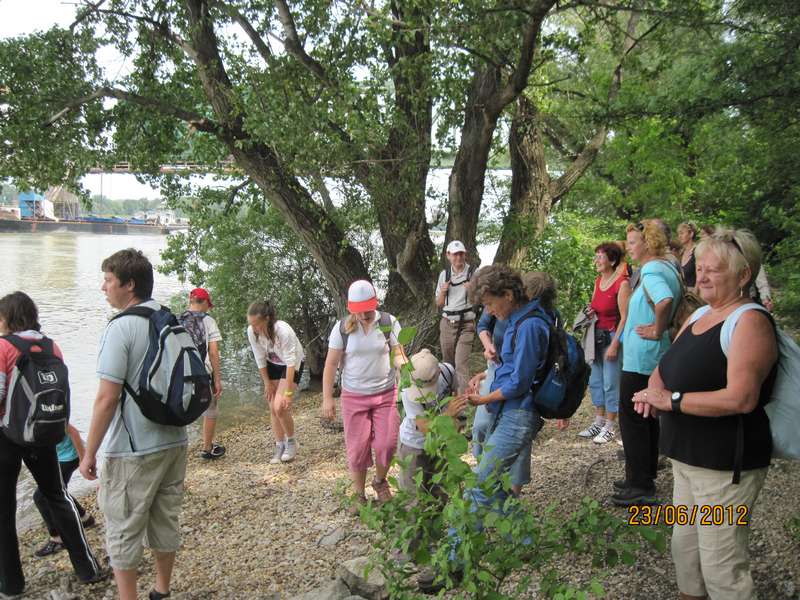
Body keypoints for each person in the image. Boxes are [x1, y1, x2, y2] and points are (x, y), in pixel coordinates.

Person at [632, 228, 776, 600]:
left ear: (743, 275)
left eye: (714, 270)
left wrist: (671, 401)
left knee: (721, 566)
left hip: (725, 465)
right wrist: (652, 391)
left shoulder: (750, 321)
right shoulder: (699, 315)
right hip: (686, 458)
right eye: (701, 267)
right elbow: (666, 365)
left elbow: (741, 398)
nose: (703, 276)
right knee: (687, 554)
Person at [80, 249, 187, 600]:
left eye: (109, 280)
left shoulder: (121, 327)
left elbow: (106, 398)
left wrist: (89, 452)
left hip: (134, 449)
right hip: (175, 439)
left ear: (129, 285)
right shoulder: (170, 319)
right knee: (165, 519)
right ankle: (161, 590)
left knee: (123, 528)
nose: (103, 287)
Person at [0, 292, 105, 599]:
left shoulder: (3, 346)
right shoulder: (51, 346)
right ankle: (87, 568)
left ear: (6, 318)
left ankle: (11, 585)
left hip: (7, 435)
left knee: (4, 510)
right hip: (45, 432)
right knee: (57, 495)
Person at [463, 266, 551, 512]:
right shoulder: (515, 320)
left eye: (490, 304)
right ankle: (520, 530)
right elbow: (510, 366)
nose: (489, 311)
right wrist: (485, 375)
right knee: (489, 482)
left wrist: (484, 400)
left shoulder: (529, 325)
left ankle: (457, 538)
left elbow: (519, 382)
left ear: (508, 295)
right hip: (506, 410)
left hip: (519, 415)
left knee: (478, 485)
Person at [614, 220, 681, 507]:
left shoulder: (652, 269)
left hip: (642, 357)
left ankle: (640, 484)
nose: (627, 247)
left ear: (648, 243)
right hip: (652, 355)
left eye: (632, 242)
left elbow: (664, 300)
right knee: (647, 417)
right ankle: (642, 474)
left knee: (633, 419)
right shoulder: (668, 267)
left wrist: (656, 329)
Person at [322, 280, 406, 508]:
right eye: (358, 311)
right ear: (351, 308)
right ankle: (359, 494)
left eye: (367, 309)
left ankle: (380, 482)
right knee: (357, 448)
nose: (363, 315)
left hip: (385, 394)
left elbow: (398, 354)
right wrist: (327, 398)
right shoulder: (341, 329)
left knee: (387, 444)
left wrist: (406, 375)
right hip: (353, 397)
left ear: (375, 303)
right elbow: (331, 364)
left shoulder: (389, 322)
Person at [578, 243, 630, 444]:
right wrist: (589, 312)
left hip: (611, 337)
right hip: (595, 337)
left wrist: (615, 344)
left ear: (613, 260)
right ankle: (599, 421)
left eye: (600, 257)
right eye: (596, 256)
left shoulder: (622, 284)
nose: (596, 261)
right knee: (596, 381)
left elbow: (625, 318)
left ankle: (610, 426)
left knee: (610, 383)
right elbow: (595, 307)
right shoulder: (598, 281)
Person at [397, 350, 463, 496]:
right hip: (414, 444)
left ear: (438, 371)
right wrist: (448, 415)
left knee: (440, 491)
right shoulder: (407, 389)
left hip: (441, 441)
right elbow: (424, 427)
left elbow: (455, 398)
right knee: (414, 494)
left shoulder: (447, 372)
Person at [247, 300, 305, 464]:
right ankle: (280, 444)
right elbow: (259, 358)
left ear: (267, 319)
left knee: (280, 406)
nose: (253, 328)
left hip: (291, 364)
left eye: (256, 324)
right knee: (272, 406)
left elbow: (291, 363)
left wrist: (288, 393)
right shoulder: (252, 331)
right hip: (272, 363)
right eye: (251, 324)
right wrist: (267, 383)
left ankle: (292, 442)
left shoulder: (283, 331)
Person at [33, 424, 96, 557]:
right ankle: (85, 519)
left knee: (40, 496)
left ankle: (57, 538)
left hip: (69, 457)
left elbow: (74, 432)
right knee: (58, 491)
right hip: (57, 457)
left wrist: (83, 458)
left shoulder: (39, 413)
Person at [181, 288, 224, 460]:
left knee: (182, 408)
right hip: (202, 373)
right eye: (208, 305)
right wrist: (217, 380)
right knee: (211, 408)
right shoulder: (208, 321)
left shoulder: (177, 319)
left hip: (181, 373)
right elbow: (213, 352)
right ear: (205, 302)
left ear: (190, 301)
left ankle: (179, 449)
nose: (208, 308)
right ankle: (207, 448)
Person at [436, 240, 477, 393]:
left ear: (465, 254)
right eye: (455, 254)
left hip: (467, 323)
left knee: (461, 363)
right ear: (448, 255)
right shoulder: (444, 275)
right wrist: (443, 292)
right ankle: (448, 396)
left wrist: (472, 290)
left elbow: (482, 300)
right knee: (448, 364)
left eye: (461, 254)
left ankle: (462, 401)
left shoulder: (474, 272)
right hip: (447, 323)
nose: (458, 257)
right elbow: (439, 303)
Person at [677, 222, 698, 288]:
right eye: (678, 234)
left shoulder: (698, 251)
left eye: (682, 233)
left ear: (691, 234)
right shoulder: (681, 252)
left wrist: (694, 292)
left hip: (694, 293)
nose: (679, 236)